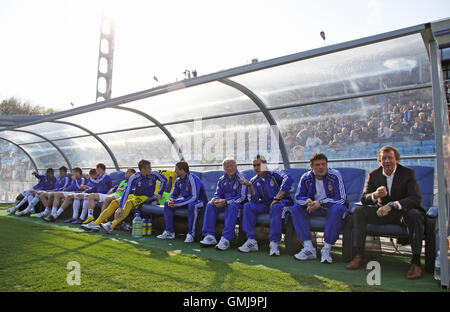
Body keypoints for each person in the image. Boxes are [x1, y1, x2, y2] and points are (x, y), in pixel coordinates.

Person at [346, 145, 425, 280]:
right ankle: (360, 255)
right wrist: (375, 195)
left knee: (414, 215)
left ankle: (416, 262)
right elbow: (364, 199)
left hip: (401, 213)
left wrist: (392, 205)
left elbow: (415, 198)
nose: (387, 161)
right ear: (379, 161)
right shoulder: (374, 174)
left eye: (390, 158)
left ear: (396, 160)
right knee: (359, 212)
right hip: (381, 213)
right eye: (384, 158)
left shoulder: (408, 173)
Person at [82, 160, 167, 234]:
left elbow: (164, 180)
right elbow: (126, 191)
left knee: (129, 203)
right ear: (142, 169)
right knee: (114, 202)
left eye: (150, 167)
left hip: (146, 197)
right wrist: (120, 207)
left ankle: (112, 224)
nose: (151, 169)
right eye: (149, 168)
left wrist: (159, 193)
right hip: (134, 195)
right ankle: (96, 224)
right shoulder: (134, 177)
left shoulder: (154, 174)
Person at [291, 153, 347, 263]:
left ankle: (326, 249)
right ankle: (308, 248)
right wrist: (306, 201)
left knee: (336, 209)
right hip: (313, 208)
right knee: (296, 208)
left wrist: (320, 203)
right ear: (311, 167)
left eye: (323, 164)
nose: (321, 167)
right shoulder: (306, 177)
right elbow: (298, 197)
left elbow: (342, 199)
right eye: (317, 165)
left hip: (330, 208)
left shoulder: (335, 175)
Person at [238, 154, 293, 256]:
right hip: (265, 205)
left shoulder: (274, 172)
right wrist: (250, 186)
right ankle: (251, 241)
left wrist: (277, 197)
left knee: (276, 207)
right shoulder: (254, 180)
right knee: (248, 206)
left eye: (258, 165)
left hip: (282, 204)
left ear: (265, 164)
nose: (256, 168)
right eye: (254, 165)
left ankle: (274, 243)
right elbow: (254, 200)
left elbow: (289, 178)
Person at [200, 158, 247, 250]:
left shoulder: (242, 178)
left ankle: (226, 239)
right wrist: (215, 200)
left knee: (232, 207)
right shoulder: (222, 179)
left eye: (231, 166)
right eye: (227, 167)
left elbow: (242, 197)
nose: (229, 168)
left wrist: (226, 202)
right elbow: (218, 193)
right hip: (224, 203)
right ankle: (209, 236)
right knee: (210, 204)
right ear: (224, 168)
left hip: (237, 204)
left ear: (236, 166)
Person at [157, 161, 207, 243]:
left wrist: (176, 203)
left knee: (192, 205)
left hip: (200, 201)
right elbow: (174, 194)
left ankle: (191, 234)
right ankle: (169, 232)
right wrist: (171, 200)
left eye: (176, 169)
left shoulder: (193, 179)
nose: (174, 171)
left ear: (182, 170)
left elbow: (194, 197)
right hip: (187, 199)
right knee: (167, 204)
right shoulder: (178, 180)